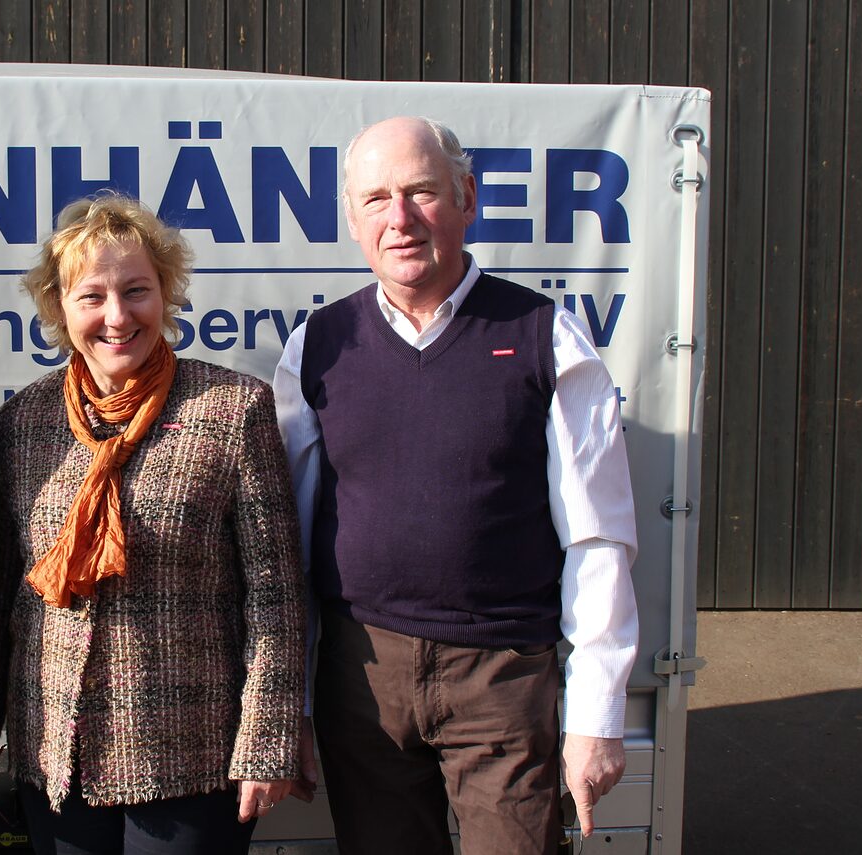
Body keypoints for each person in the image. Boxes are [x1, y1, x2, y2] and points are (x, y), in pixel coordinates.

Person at [273, 116, 640, 855]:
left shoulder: (545, 337)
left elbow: (598, 536)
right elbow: (289, 551)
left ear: (467, 197)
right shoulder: (316, 346)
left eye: (421, 192)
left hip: (501, 678)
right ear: (351, 219)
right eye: (376, 198)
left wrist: (596, 714)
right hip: (363, 678)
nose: (399, 218)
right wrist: (298, 705)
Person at [0, 194, 306, 854]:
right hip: (56, 753)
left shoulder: (232, 409)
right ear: (59, 307)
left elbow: (274, 598)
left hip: (193, 753)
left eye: (136, 290)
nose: (116, 315)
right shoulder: (20, 426)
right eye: (91, 296)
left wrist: (266, 742)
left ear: (166, 293)